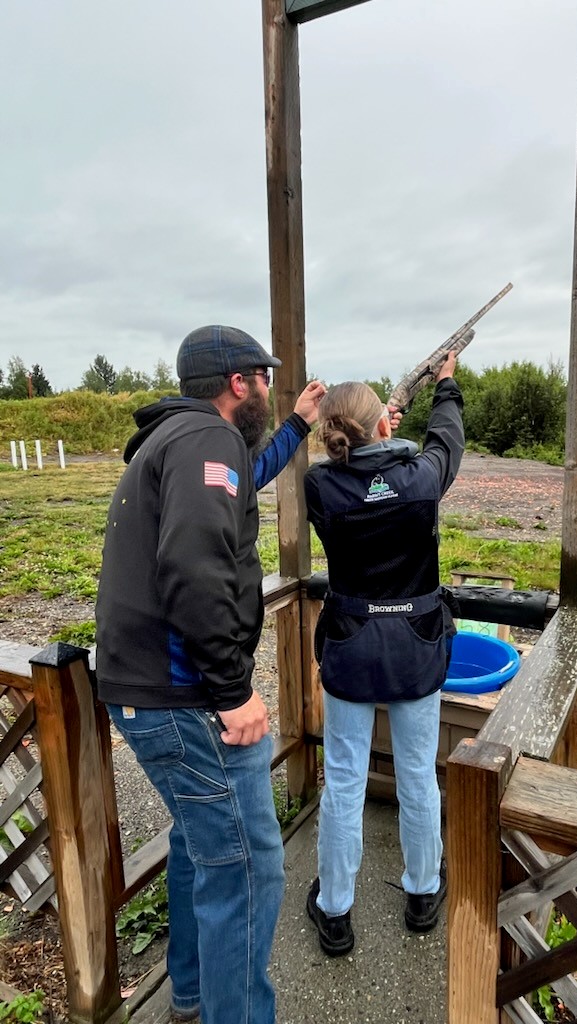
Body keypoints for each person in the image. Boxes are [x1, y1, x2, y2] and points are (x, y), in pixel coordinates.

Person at [95, 325, 325, 1024]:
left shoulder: (184, 440)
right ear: (239, 382)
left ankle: (191, 997)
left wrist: (295, 425)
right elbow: (193, 569)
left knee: (205, 847)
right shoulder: (207, 440)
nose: (268, 390)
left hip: (148, 691)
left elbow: (243, 477)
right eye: (265, 380)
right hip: (185, 697)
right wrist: (233, 691)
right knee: (248, 869)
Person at [303, 351, 464, 956]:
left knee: (343, 782)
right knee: (418, 775)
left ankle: (336, 910)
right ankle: (423, 892)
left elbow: (360, 476)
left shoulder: (321, 485)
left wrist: (377, 438)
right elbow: (445, 443)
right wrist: (444, 386)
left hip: (350, 645)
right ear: (384, 425)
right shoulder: (420, 478)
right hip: (416, 647)